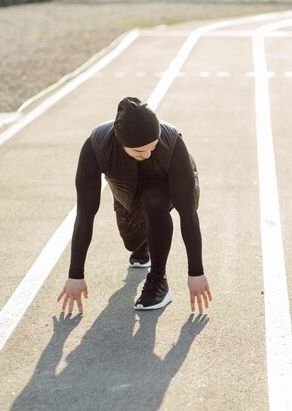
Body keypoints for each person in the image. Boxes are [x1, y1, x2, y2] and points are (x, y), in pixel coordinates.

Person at [57, 97, 212, 315]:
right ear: (122, 144)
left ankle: (158, 280)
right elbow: (85, 213)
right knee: (132, 242)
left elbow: (187, 213)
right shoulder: (96, 147)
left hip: (168, 182)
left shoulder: (171, 143)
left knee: (154, 200)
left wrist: (196, 272)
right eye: (140, 152)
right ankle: (143, 244)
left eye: (152, 147)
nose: (148, 155)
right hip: (126, 187)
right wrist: (75, 275)